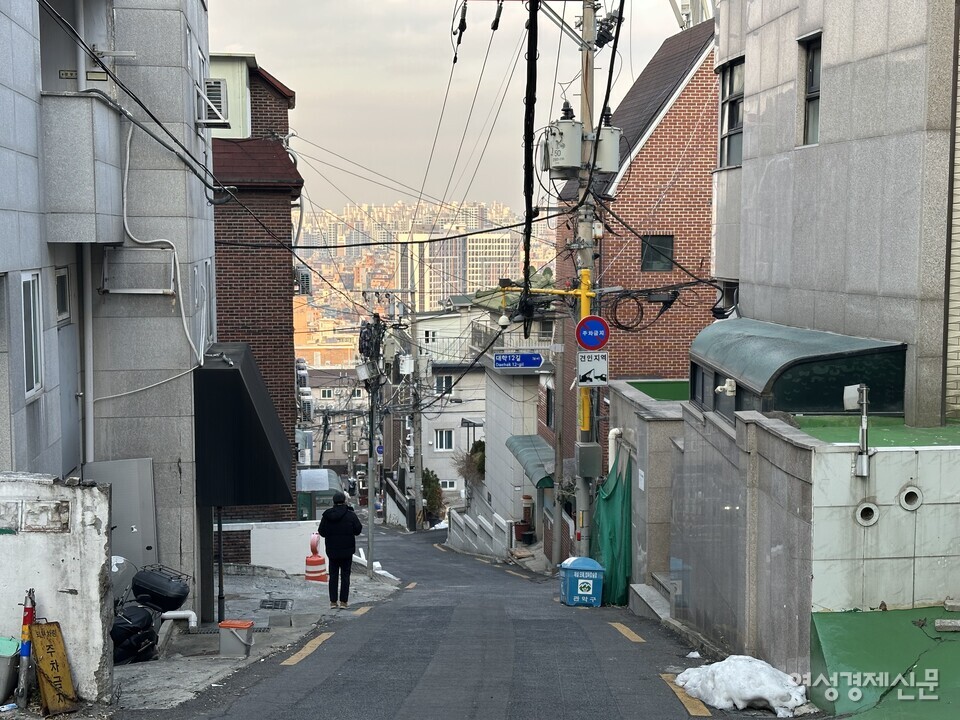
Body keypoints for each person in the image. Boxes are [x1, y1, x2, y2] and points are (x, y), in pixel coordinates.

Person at [318, 491, 362, 609]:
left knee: (333, 576)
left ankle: (333, 602)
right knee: (345, 576)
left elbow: (321, 532)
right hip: (347, 551)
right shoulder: (351, 515)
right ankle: (343, 602)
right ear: (344, 501)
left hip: (332, 551)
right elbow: (358, 530)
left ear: (333, 501)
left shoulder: (327, 515)